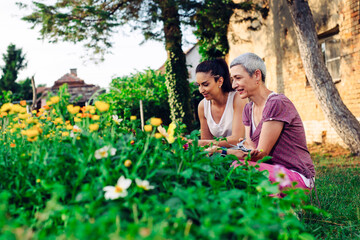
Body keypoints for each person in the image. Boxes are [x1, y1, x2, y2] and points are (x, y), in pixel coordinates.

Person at [214, 52, 315, 190]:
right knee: (230, 168)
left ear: (256, 75)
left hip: (298, 177)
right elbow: (250, 147)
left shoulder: (276, 103)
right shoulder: (248, 109)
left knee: (240, 167)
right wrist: (229, 151)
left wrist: (223, 151)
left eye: (238, 78)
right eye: (232, 79)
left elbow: (260, 155)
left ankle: (283, 209)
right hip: (269, 172)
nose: (234, 85)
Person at [195, 58, 247, 147]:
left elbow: (236, 140)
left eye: (205, 84)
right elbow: (206, 145)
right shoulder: (202, 106)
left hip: (243, 155)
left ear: (220, 81)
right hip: (221, 156)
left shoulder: (237, 99)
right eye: (199, 85)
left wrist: (198, 143)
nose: (201, 90)